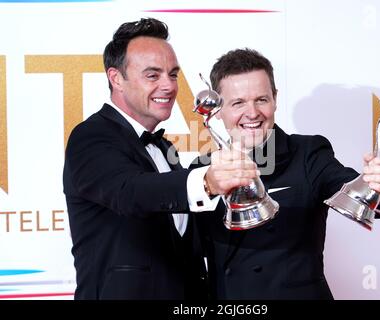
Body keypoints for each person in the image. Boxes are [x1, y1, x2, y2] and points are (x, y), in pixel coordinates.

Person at [63, 18, 258, 300]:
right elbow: (129, 191)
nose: (169, 86)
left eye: (173, 74)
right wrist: (207, 181)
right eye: (153, 76)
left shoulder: (164, 147)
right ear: (116, 78)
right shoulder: (91, 136)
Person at [191, 48, 380, 300]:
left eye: (261, 99)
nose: (253, 113)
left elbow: (347, 186)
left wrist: (376, 187)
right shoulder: (201, 171)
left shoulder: (308, 153)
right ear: (217, 109)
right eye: (238, 103)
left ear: (275, 99)